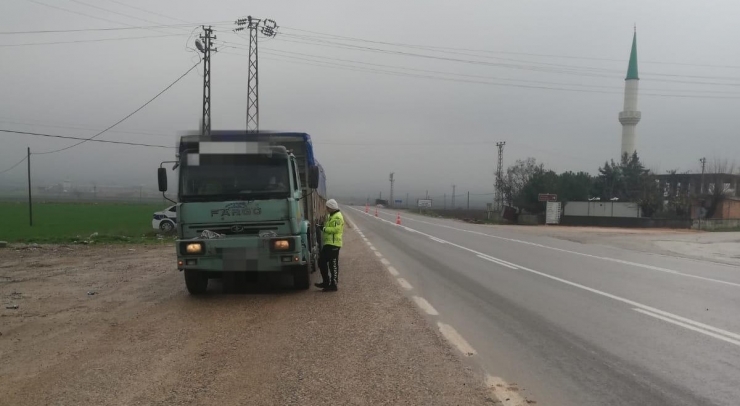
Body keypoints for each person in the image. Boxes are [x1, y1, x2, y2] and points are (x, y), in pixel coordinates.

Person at [315, 199, 344, 292]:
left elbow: (335, 229)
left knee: (333, 264)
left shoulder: (337, 217)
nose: (326, 209)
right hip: (329, 243)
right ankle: (326, 282)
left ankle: (333, 284)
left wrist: (323, 228)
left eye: (327, 207)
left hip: (334, 244)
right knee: (321, 261)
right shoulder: (331, 216)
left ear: (331, 207)